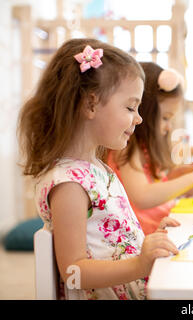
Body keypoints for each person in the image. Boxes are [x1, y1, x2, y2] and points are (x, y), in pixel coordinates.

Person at [17, 38, 179, 300]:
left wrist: (148, 241)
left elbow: (110, 242)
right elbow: (73, 272)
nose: (138, 118)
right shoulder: (69, 184)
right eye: (129, 107)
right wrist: (140, 264)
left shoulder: (96, 169)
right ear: (91, 104)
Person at [107, 62, 193, 235]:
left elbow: (149, 188)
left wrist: (174, 180)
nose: (169, 127)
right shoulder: (126, 147)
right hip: (142, 234)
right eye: (166, 118)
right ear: (144, 111)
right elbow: (143, 197)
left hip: (156, 224)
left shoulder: (143, 147)